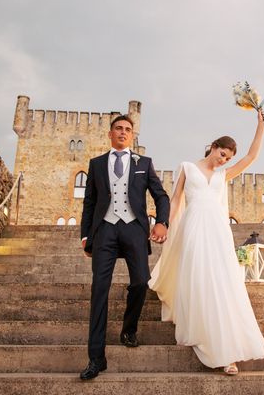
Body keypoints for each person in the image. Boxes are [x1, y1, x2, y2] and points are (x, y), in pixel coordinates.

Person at [149, 109, 264, 375]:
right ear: (214, 147)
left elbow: (252, 157)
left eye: (228, 158)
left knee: (221, 283)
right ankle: (204, 332)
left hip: (218, 232)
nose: (223, 160)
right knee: (198, 278)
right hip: (193, 228)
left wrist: (260, 126)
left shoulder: (222, 175)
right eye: (222, 154)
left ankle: (226, 352)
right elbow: (175, 200)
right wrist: (167, 226)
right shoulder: (187, 167)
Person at [79, 114, 170, 380]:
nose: (122, 132)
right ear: (110, 134)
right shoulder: (96, 164)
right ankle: (96, 358)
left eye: (127, 129)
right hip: (105, 229)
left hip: (134, 228)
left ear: (132, 135)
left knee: (141, 281)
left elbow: (161, 195)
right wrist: (86, 237)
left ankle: (128, 328)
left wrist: (161, 222)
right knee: (99, 290)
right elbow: (89, 202)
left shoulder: (144, 163)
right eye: (118, 128)